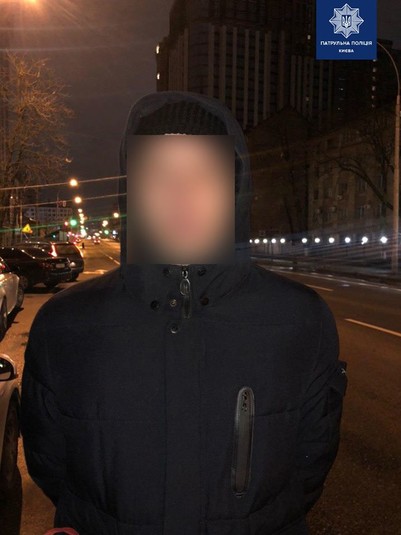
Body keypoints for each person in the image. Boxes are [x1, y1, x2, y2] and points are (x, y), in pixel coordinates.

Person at [20, 90, 348, 534]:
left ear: (235, 190)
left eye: (204, 174)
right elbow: (51, 466)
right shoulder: (64, 325)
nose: (181, 195)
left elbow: (308, 468)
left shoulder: (301, 320)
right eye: (159, 174)